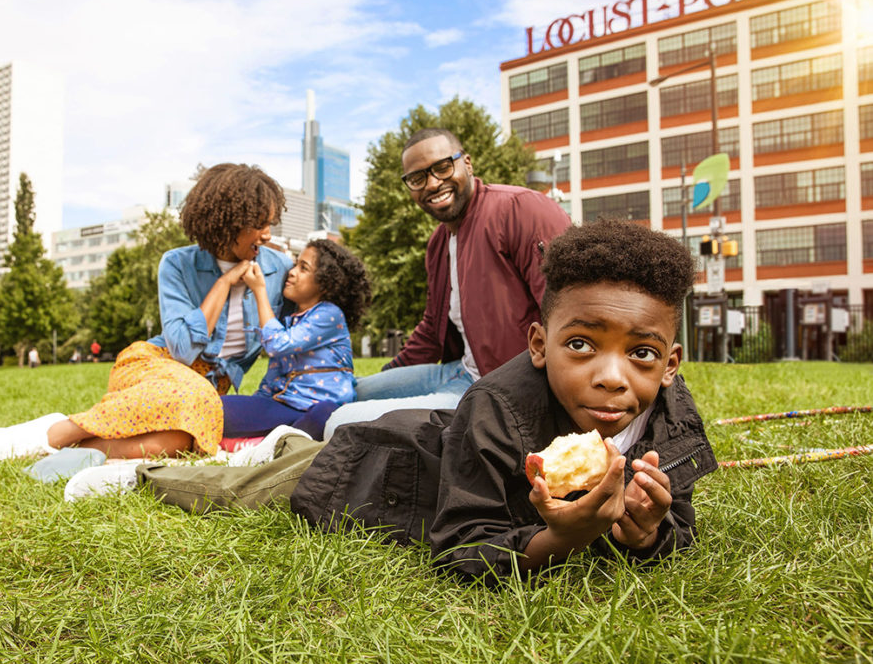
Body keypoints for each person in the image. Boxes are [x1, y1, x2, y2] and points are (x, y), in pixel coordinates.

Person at [130, 219, 717, 583]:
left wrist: (646, 533)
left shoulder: (668, 422)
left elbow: (676, 524)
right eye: (583, 344)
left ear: (670, 365)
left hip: (441, 436)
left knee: (280, 455)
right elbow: (462, 545)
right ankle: (135, 472)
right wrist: (563, 538)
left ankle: (283, 444)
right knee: (248, 487)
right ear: (539, 344)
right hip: (379, 468)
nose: (613, 377)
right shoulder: (498, 404)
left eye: (641, 353)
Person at [0, 163, 290, 461]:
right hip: (155, 363)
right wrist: (223, 285)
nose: (267, 235)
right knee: (197, 394)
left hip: (203, 390)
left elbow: (296, 337)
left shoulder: (279, 269)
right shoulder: (177, 263)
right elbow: (181, 349)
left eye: (269, 224)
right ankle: (53, 434)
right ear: (227, 222)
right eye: (257, 225)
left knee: (180, 441)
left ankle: (67, 451)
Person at [323, 128, 571, 439]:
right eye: (417, 178)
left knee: (341, 422)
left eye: (442, 167)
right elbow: (432, 327)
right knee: (350, 390)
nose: (432, 183)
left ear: (467, 163)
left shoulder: (520, 209)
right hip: (459, 371)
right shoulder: (439, 242)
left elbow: (568, 310)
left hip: (501, 390)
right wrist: (394, 375)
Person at [220, 239, 371, 442]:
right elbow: (273, 379)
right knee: (217, 408)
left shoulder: (329, 314)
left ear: (325, 283)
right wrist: (250, 408)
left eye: (303, 268)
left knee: (325, 413)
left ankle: (274, 443)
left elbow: (277, 344)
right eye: (295, 264)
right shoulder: (293, 321)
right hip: (286, 407)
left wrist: (259, 290)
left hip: (316, 410)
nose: (292, 272)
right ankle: (274, 442)